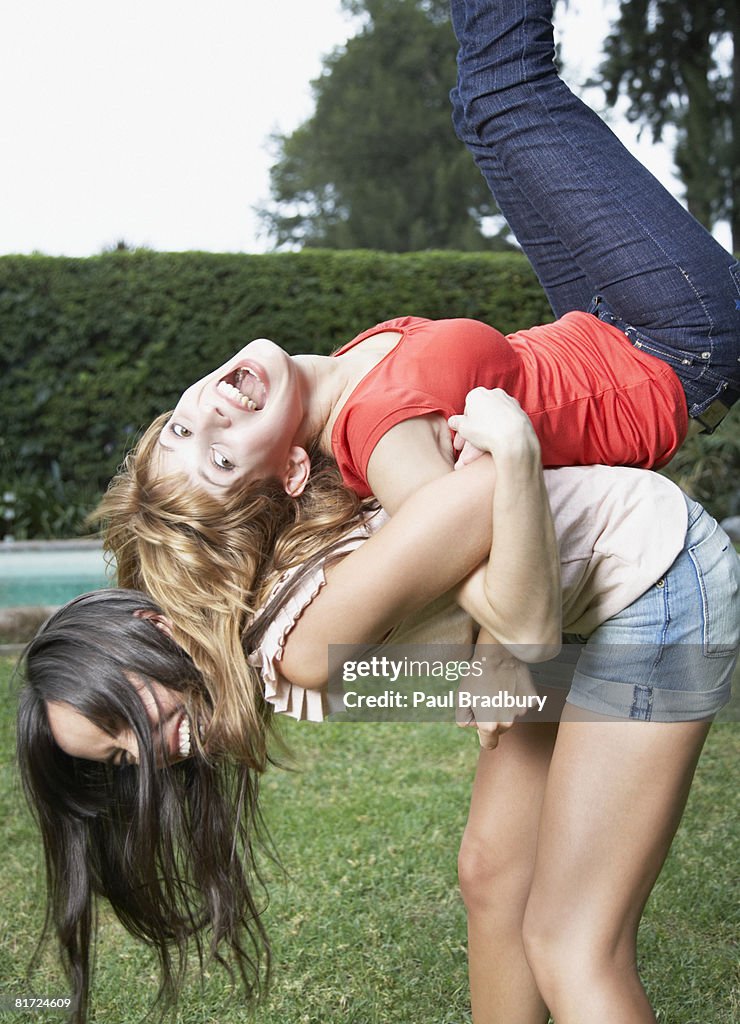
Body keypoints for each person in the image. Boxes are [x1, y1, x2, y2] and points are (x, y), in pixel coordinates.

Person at [95, 0, 740, 725]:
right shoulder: (382, 436)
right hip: (673, 345)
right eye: (220, 462)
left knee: (478, 108)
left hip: (597, 322)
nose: (205, 420)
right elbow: (507, 603)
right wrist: (497, 649)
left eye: (180, 433)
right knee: (504, 90)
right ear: (292, 472)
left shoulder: (342, 381)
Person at [18, 405, 739, 1023]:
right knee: (493, 872)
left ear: (153, 626)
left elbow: (488, 479)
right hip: (559, 604)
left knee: (572, 942)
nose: (148, 755)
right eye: (119, 760)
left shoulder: (299, 648)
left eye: (123, 720)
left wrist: (501, 650)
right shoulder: (249, 624)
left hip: (649, 574)